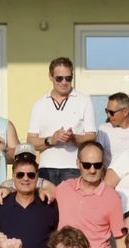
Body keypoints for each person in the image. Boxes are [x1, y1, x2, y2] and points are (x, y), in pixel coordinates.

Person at [28, 57, 97, 185]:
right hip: (46, 168)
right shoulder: (40, 104)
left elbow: (92, 136)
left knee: (71, 205)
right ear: (50, 76)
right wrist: (51, 140)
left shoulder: (84, 100)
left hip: (74, 168)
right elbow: (31, 141)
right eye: (59, 78)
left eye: (68, 78)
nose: (64, 82)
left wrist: (73, 138)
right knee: (46, 205)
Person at [54, 141, 124, 248]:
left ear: (103, 165)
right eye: (87, 165)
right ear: (78, 164)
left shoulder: (112, 197)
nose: (92, 170)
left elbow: (120, 238)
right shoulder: (64, 188)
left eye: (97, 165)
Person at [0, 147, 59, 248]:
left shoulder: (49, 204)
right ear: (13, 177)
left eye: (31, 175)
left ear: (37, 177)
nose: (25, 178)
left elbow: (57, 241)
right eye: (20, 174)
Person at [98, 92, 129, 168]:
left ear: (125, 111)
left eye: (111, 112)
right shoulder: (103, 130)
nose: (108, 115)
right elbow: (98, 158)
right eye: (107, 111)